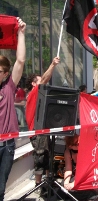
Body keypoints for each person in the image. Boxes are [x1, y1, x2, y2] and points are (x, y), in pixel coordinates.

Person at [25, 57, 60, 196]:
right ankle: (39, 185)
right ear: (34, 84)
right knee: (40, 157)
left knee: (48, 156)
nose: (42, 83)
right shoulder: (33, 93)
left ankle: (48, 184)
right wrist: (52, 64)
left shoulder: (38, 95)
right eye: (39, 81)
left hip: (43, 131)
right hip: (36, 132)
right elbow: (45, 79)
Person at [0, 17, 26, 201]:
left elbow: (20, 60)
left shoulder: (9, 86)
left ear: (6, 74)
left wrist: (21, 33)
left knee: (0, 185)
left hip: (7, 144)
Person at [58, 134, 98, 200]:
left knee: (76, 186)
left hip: (86, 176)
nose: (80, 143)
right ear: (71, 146)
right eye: (77, 143)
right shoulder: (68, 152)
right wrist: (66, 182)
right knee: (62, 186)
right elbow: (68, 169)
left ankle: (87, 195)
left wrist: (74, 183)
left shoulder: (85, 150)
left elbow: (85, 171)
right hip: (76, 175)